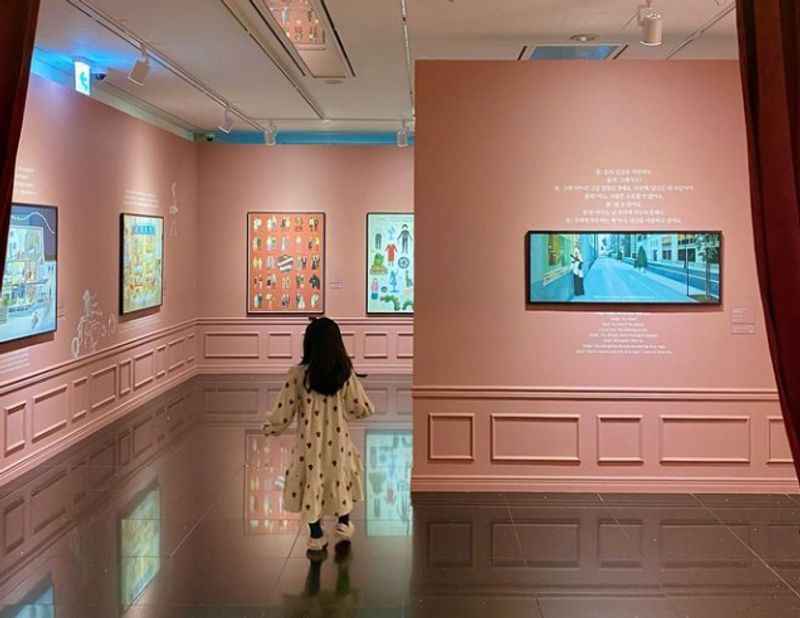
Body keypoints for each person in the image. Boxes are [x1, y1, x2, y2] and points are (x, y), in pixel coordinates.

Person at [263, 317, 374, 556]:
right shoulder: (344, 373)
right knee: (340, 478)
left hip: (308, 446)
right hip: (339, 443)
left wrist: (271, 427)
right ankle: (343, 524)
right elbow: (360, 408)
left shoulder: (298, 375)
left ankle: (316, 535)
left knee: (311, 481)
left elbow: (284, 410)